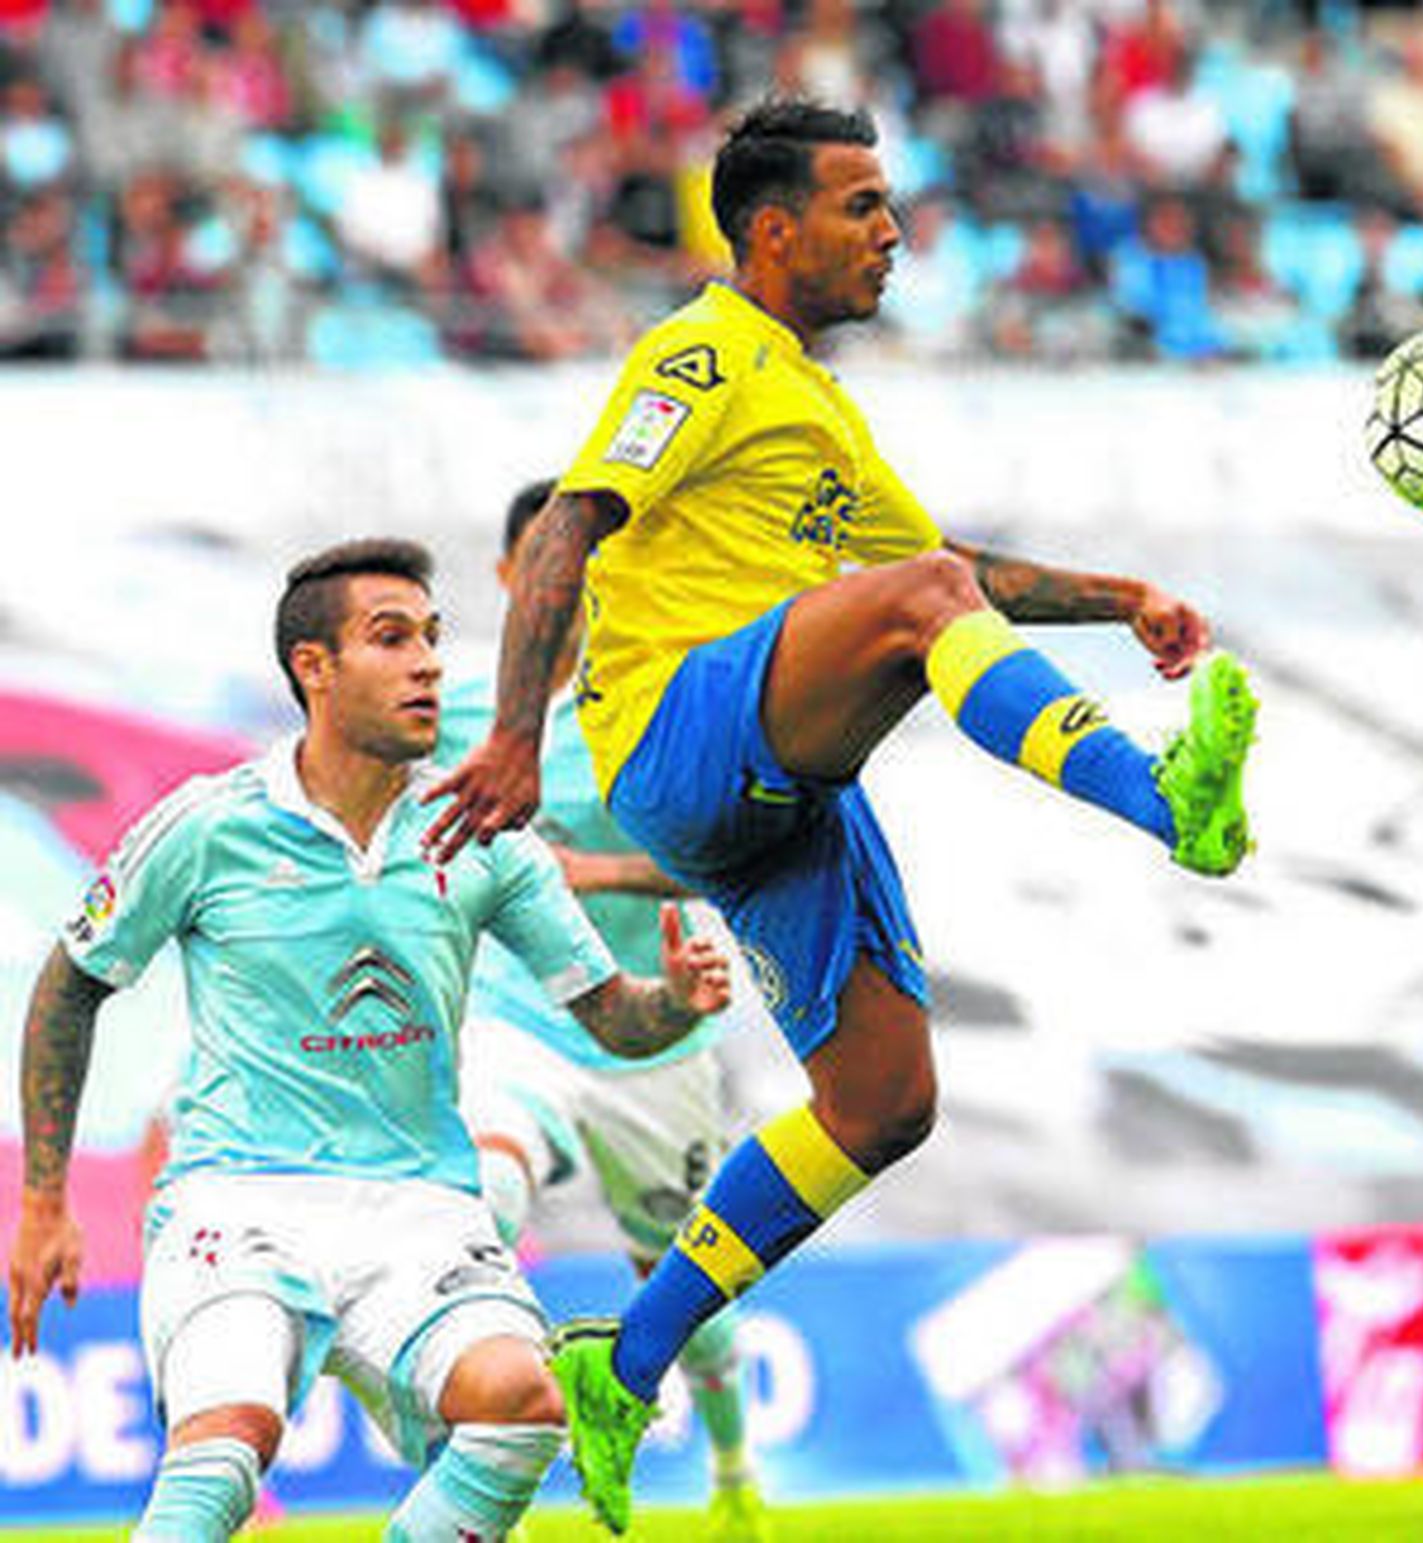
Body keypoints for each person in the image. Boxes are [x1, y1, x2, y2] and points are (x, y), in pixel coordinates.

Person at [423, 98, 1258, 1535]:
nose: (893, 231)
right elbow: (567, 522)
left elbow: (943, 565)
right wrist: (512, 732)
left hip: (778, 789)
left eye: (891, 203)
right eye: (862, 204)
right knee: (918, 607)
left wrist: (1121, 598)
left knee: (885, 1103)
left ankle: (622, 1361)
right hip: (675, 737)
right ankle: (1161, 792)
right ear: (771, 229)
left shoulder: (818, 410)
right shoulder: (698, 355)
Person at [6, 538, 731, 1543]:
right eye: (391, 639)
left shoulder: (484, 840)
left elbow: (609, 1012)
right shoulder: (212, 826)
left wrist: (677, 1002)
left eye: (432, 637)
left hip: (418, 1208)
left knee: (522, 1398)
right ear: (314, 667)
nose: (429, 662)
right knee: (225, 1451)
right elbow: (69, 983)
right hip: (238, 1197)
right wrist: (45, 1200)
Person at [446, 482, 772, 1543]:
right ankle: (489, 1483)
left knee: (683, 1283)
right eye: (550, 563)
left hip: (655, 1030)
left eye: (589, 567)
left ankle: (732, 1474)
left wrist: (594, 872)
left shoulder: (655, 702)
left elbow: (722, 857)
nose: (572, 586)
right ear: (511, 579)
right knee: (485, 1196)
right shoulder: (453, 720)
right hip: (519, 1013)